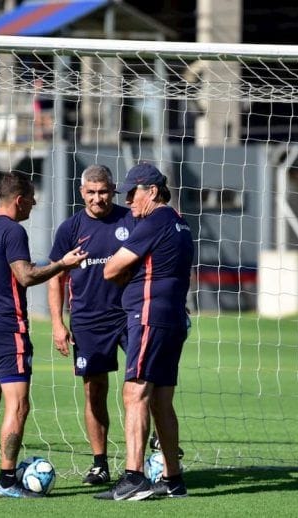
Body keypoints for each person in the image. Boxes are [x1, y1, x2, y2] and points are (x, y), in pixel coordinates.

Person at [0, 171, 88, 498]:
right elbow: (27, 276)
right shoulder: (13, 231)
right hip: (9, 331)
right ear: (19, 200)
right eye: (32, 198)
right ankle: (6, 480)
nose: (34, 203)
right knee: (18, 407)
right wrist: (62, 264)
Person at [97, 163, 194, 501]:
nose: (128, 200)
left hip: (149, 315)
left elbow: (111, 269)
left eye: (132, 192)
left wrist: (125, 272)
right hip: (173, 318)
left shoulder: (154, 221)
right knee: (161, 401)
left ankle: (134, 477)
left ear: (152, 191)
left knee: (135, 392)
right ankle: (173, 478)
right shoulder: (181, 224)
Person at [47, 164, 136, 486]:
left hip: (130, 314)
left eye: (103, 191)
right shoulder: (70, 228)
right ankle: (100, 464)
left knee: (141, 386)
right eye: (91, 192)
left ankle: (140, 462)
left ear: (113, 190)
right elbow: (56, 278)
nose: (98, 198)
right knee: (94, 390)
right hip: (87, 320)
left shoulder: (130, 220)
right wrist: (57, 323)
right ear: (81, 192)